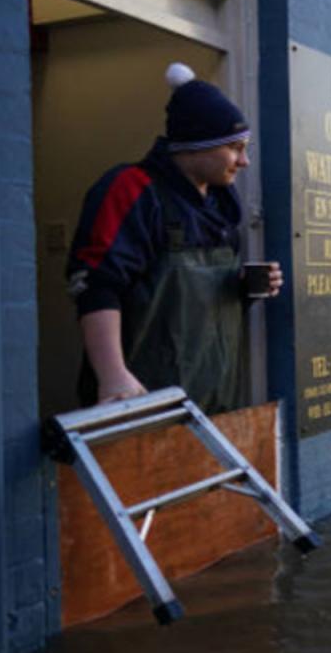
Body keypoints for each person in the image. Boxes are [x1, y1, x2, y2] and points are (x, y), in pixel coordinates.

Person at [66, 63, 281, 413]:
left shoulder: (221, 203)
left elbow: (195, 302)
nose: (245, 161)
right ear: (197, 146)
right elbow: (95, 284)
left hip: (213, 407)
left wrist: (242, 289)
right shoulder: (132, 189)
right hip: (139, 408)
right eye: (235, 148)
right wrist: (113, 374)